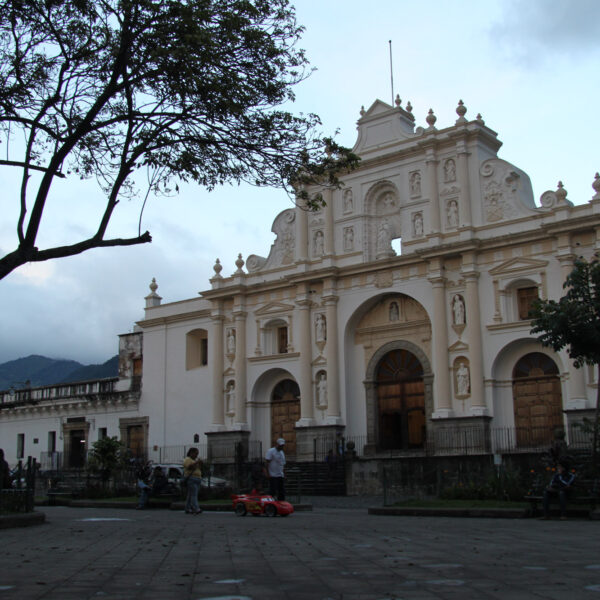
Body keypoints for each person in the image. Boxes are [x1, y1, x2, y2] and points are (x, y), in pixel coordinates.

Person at [183, 447, 203, 514]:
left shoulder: (194, 460)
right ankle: (196, 508)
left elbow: (199, 468)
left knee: (190, 495)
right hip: (192, 479)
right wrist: (197, 462)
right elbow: (189, 467)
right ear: (191, 453)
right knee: (194, 495)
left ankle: (187, 508)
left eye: (197, 454)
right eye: (195, 453)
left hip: (197, 479)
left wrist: (200, 463)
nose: (196, 455)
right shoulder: (187, 459)